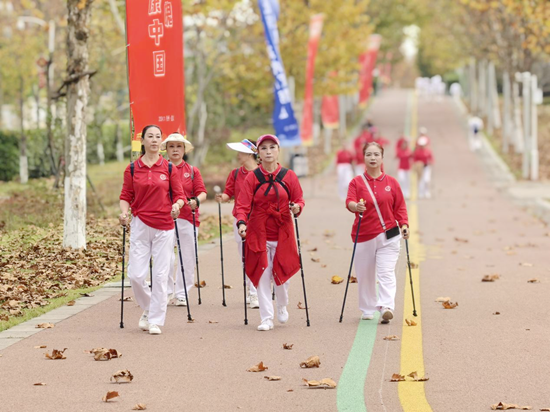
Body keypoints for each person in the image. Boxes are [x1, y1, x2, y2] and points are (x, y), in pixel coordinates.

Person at [119, 125, 187, 335]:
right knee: (136, 275)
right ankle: (149, 308)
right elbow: (125, 196)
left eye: (158, 137)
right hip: (140, 224)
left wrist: (177, 206)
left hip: (164, 226)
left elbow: (180, 196)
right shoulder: (132, 168)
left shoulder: (168, 168)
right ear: (143, 140)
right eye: (151, 136)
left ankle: (156, 320)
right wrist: (124, 213)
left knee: (160, 275)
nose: (155, 140)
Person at [235, 134, 305, 331]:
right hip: (259, 232)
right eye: (263, 148)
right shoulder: (253, 177)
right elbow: (242, 205)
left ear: (278, 151)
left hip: (283, 231)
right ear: (258, 153)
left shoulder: (288, 176)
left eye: (272, 147)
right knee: (263, 273)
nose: (268, 151)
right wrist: (241, 223)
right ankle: (266, 317)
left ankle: (282, 304)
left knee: (282, 275)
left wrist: (297, 207)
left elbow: (299, 199)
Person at [346, 142, 409, 324]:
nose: (372, 158)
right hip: (364, 235)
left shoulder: (392, 183)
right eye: (368, 155)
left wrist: (404, 224)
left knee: (386, 272)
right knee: (365, 274)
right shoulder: (356, 182)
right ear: (363, 158)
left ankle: (387, 306)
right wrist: (355, 206)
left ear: (382, 157)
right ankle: (367, 308)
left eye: (376, 154)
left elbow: (400, 207)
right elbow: (349, 201)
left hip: (389, 235)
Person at [163, 133, 207, 306]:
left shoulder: (192, 171)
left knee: (187, 257)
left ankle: (182, 293)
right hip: (164, 219)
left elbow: (202, 192)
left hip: (188, 218)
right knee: (165, 257)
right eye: (171, 146)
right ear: (166, 149)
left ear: (184, 150)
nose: (175, 150)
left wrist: (196, 201)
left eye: (178, 146)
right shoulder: (161, 169)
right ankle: (166, 291)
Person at [216, 139, 260, 309]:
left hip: (259, 219)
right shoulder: (235, 174)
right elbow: (229, 192)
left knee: (259, 255)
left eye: (241, 152)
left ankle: (256, 291)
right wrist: (223, 198)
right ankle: (252, 289)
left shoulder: (262, 173)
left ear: (250, 154)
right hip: (240, 219)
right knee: (245, 257)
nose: (238, 155)